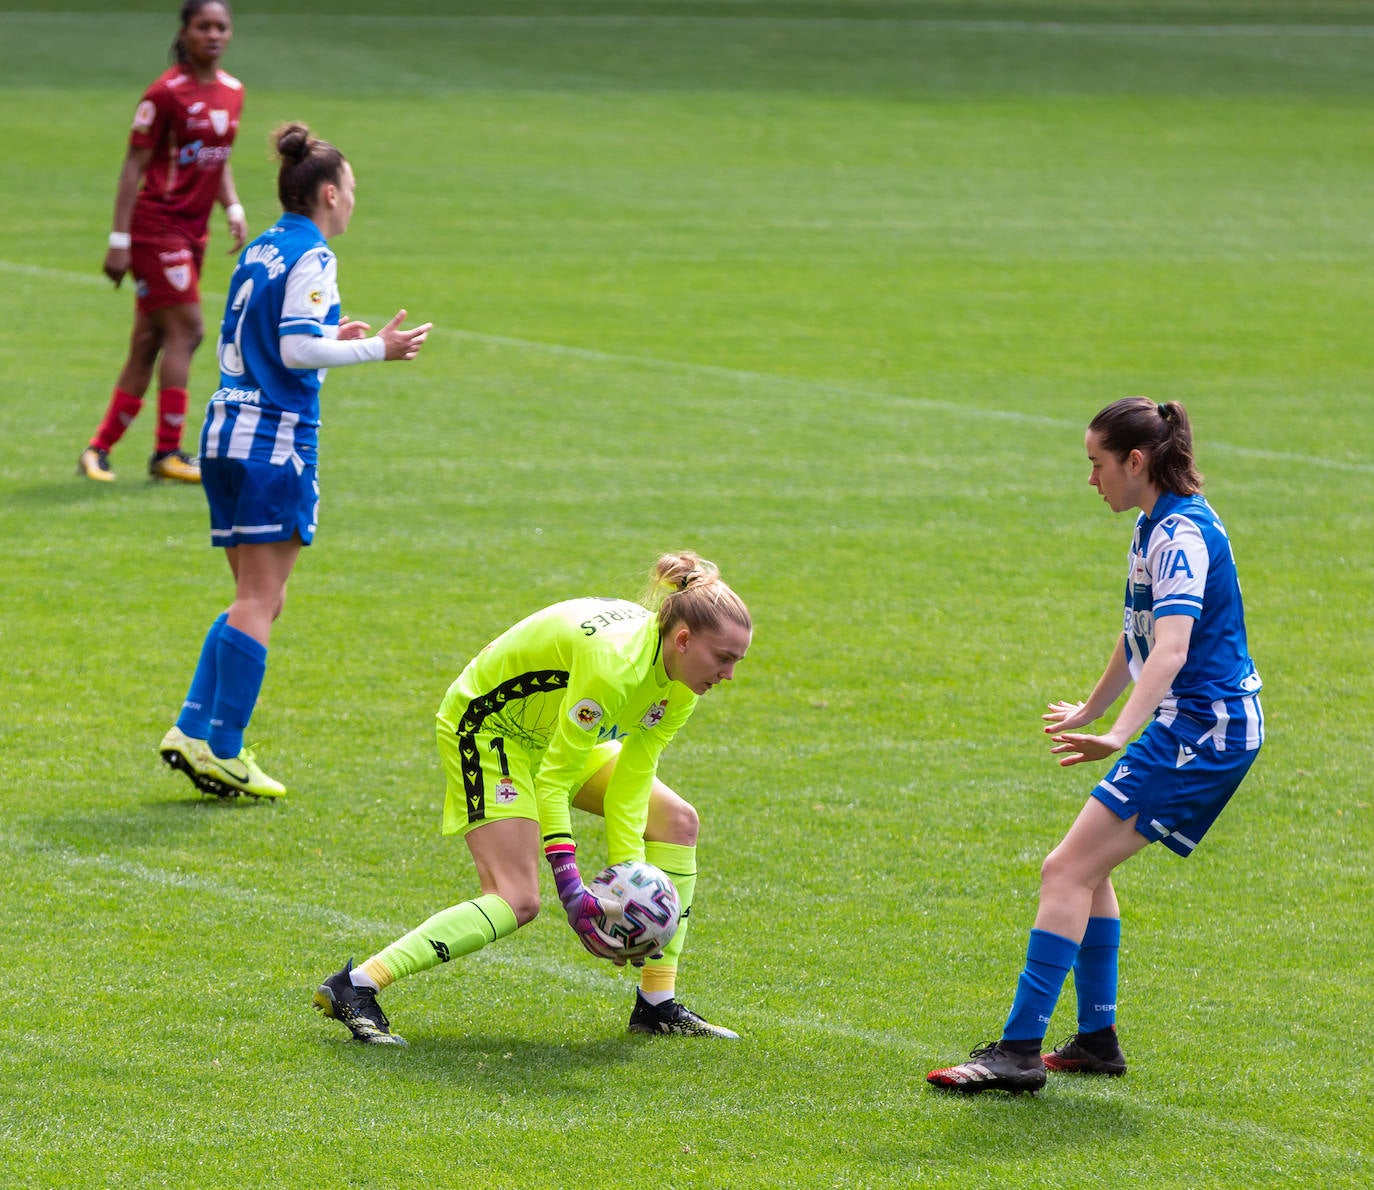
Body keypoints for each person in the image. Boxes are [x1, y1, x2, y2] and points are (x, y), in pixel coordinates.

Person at [927, 397, 1264, 1095]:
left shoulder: (1180, 538)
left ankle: (1018, 1051)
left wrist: (1118, 732)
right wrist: (1093, 704)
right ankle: (1097, 1040)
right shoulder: (1155, 524)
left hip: (1203, 732)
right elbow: (1139, 630)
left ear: (1136, 462)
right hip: (1190, 724)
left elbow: (1170, 650)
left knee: (1064, 871)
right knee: (1088, 871)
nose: (1091, 480)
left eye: (1097, 464)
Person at [311, 550, 752, 1046]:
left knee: (676, 821)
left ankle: (656, 1004)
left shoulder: (683, 685)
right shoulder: (615, 666)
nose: (729, 675)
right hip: (489, 727)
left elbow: (631, 781)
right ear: (685, 639)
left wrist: (630, 894)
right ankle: (356, 985)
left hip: (553, 732)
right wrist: (573, 890)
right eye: (723, 658)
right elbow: (556, 779)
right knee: (516, 898)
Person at [158, 122, 431, 799]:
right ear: (330, 193)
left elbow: (274, 338)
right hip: (272, 440)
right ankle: (223, 747)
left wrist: (331, 335)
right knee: (261, 598)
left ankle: (192, 729)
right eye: (354, 191)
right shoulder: (314, 253)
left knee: (254, 597)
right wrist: (377, 350)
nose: (356, 202)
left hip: (224, 430)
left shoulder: (261, 247)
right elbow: (292, 351)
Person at [79, 1, 248, 485]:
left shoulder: (233, 92)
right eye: (203, 27)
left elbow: (217, 159)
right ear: (186, 32)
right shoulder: (164, 94)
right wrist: (119, 240)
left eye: (221, 27)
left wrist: (232, 207)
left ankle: (98, 450)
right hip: (156, 227)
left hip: (194, 232)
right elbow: (133, 166)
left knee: (149, 341)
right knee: (189, 330)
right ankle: (167, 452)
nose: (213, 35)